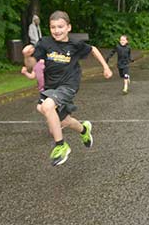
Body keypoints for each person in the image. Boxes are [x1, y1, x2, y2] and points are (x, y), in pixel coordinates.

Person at [22, 10, 112, 166]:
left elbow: (94, 50)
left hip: (69, 85)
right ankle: (84, 130)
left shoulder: (75, 44)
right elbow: (30, 65)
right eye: (53, 27)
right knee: (60, 118)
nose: (57, 30)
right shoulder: (44, 43)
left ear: (68, 27)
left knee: (48, 106)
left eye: (60, 27)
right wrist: (26, 55)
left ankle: (61, 146)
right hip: (51, 86)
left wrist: (106, 67)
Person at [27, 14, 45, 91]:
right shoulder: (31, 26)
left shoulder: (38, 27)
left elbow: (39, 34)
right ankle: (34, 69)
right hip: (34, 43)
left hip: (39, 43)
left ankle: (39, 68)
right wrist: (35, 41)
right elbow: (31, 35)